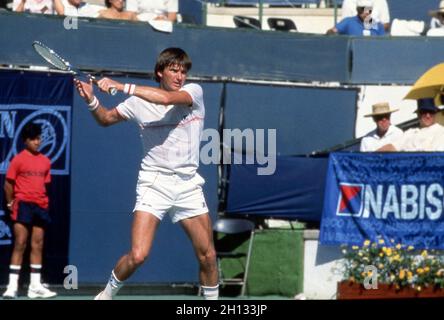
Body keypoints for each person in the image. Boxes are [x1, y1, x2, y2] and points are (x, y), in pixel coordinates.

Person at [74, 47, 219, 300]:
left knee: (208, 255)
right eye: (174, 70)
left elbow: (163, 100)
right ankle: (105, 296)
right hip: (154, 183)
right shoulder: (137, 103)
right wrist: (91, 100)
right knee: (138, 254)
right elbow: (106, 118)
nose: (180, 76)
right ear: (159, 72)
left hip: (188, 185)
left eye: (183, 71)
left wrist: (120, 86)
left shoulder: (194, 92)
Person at [2, 123, 57, 299]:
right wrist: (11, 203)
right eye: (33, 139)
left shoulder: (45, 161)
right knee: (20, 243)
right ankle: (12, 287)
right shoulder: (18, 159)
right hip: (23, 205)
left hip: (40, 206)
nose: (37, 141)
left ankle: (34, 287)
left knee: (37, 245)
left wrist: (43, 202)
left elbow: (45, 185)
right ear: (25, 140)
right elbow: (8, 184)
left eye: (39, 138)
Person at [378, 98, 444, 152]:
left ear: (435, 114)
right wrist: (372, 156)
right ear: (418, 114)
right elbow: (393, 146)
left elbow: (435, 156)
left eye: (431, 112)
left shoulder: (440, 131)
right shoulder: (410, 132)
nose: (428, 115)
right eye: (424, 112)